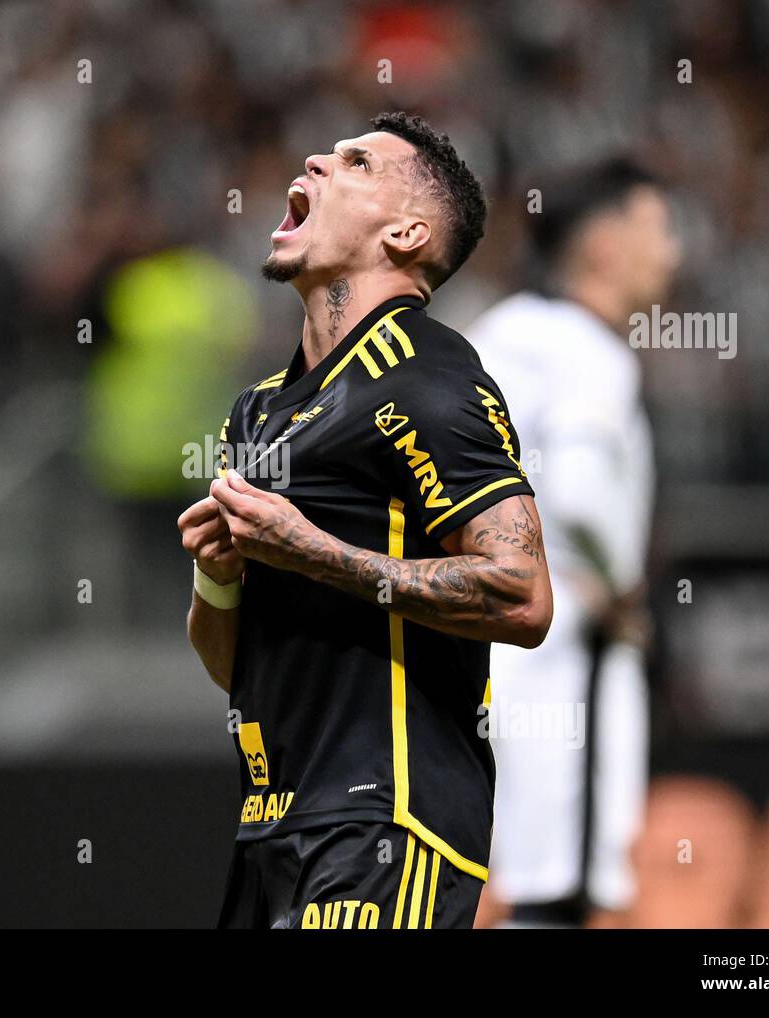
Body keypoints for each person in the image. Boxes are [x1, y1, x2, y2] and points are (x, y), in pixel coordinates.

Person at [177, 112, 552, 929]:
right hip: (271, 830)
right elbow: (229, 664)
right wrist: (221, 578)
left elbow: (522, 594)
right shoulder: (259, 412)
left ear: (408, 233)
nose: (315, 157)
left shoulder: (427, 373)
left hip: (386, 827)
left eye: (355, 162)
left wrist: (314, 553)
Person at [468, 158, 681, 927]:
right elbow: (584, 491)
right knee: (555, 892)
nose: (674, 251)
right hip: (563, 667)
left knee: (488, 881)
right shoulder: (590, 353)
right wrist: (622, 588)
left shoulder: (495, 335)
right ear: (601, 246)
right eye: (656, 227)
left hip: (473, 655)